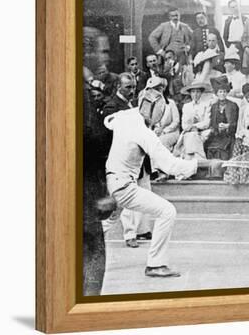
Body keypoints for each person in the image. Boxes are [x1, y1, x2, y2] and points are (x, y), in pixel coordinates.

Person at [103, 100, 221, 278]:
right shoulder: (144, 134)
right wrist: (204, 164)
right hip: (123, 186)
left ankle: (74, 249)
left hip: (110, 180)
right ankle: (155, 265)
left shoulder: (124, 117)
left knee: (107, 221)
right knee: (167, 211)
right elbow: (171, 165)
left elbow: (108, 121)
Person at [82, 26, 117, 295]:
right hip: (83, 194)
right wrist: (101, 192)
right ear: (86, 51)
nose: (106, 57)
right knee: (92, 257)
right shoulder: (80, 89)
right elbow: (90, 140)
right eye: (102, 51)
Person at [102, 73, 154, 248]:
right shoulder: (111, 107)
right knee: (126, 200)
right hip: (124, 161)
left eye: (133, 87)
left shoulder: (133, 105)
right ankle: (129, 234)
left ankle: (142, 230)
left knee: (145, 192)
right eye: (128, 87)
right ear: (118, 86)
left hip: (140, 157)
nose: (132, 91)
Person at [174, 80, 212, 160]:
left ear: (201, 93)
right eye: (193, 92)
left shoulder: (206, 104)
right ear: (190, 93)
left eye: (198, 92)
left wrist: (195, 126)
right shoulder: (186, 106)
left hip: (203, 131)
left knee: (193, 136)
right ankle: (194, 160)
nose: (195, 94)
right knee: (191, 136)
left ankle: (197, 160)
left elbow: (206, 122)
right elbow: (184, 125)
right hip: (189, 131)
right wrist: (191, 128)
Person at [205, 76, 239, 160]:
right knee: (209, 146)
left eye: (224, 92)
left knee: (224, 148)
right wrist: (218, 127)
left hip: (229, 135)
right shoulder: (214, 106)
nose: (222, 94)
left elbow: (236, 123)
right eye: (220, 92)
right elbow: (212, 123)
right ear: (217, 93)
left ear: (227, 93)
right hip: (217, 135)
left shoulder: (233, 106)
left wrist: (228, 126)